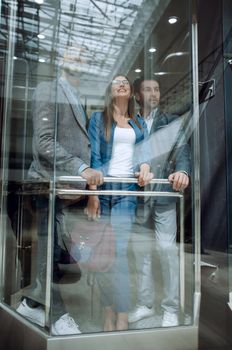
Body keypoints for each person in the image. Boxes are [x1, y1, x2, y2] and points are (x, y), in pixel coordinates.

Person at [16, 46, 103, 335]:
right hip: (46, 184)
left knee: (49, 252)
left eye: (82, 57)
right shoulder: (47, 88)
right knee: (48, 251)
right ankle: (58, 314)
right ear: (61, 61)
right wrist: (81, 168)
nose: (78, 59)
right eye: (72, 55)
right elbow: (43, 142)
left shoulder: (76, 97)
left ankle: (30, 304)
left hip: (64, 190)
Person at [86, 75, 153, 331]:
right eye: (116, 82)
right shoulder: (98, 119)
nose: (122, 84)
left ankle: (122, 312)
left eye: (125, 81)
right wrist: (92, 194)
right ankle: (108, 310)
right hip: (104, 188)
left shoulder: (138, 122)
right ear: (110, 91)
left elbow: (145, 153)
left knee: (119, 253)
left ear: (130, 91)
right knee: (104, 252)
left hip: (127, 190)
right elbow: (93, 156)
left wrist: (145, 166)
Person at [128, 77, 190, 327]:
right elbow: (124, 153)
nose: (154, 93)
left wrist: (184, 172)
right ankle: (145, 304)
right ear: (138, 96)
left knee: (166, 251)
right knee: (141, 253)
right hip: (139, 196)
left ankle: (171, 308)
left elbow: (183, 150)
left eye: (157, 89)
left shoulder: (171, 121)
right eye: (147, 89)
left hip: (164, 195)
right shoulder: (130, 122)